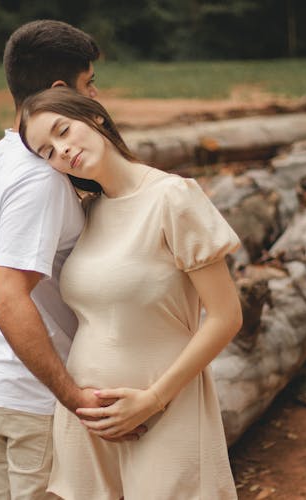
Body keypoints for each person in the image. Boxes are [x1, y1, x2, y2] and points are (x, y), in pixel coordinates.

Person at [19, 86, 243, 499]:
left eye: (63, 131)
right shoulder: (87, 212)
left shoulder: (173, 197)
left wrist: (153, 399)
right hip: (89, 419)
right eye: (47, 151)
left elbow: (227, 316)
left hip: (164, 410)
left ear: (96, 117)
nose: (62, 151)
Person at [0, 20, 133, 500]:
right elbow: (6, 298)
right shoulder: (38, 178)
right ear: (61, 90)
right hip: (36, 400)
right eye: (90, 84)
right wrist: (74, 398)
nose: (97, 95)